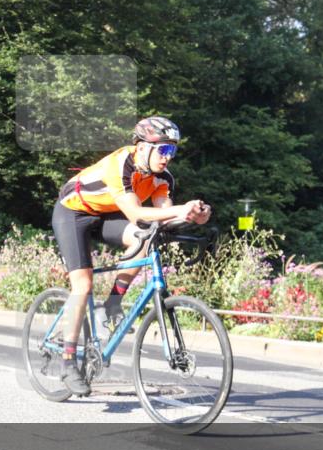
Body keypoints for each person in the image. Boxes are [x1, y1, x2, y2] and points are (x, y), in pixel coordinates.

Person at [52, 116, 211, 395]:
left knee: (145, 238)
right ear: (141, 146)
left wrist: (194, 217)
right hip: (73, 212)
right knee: (83, 285)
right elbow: (137, 214)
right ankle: (67, 363)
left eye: (172, 151)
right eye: (162, 150)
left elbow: (163, 216)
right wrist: (179, 210)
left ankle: (112, 303)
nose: (167, 158)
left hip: (105, 214)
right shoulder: (121, 165)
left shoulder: (162, 178)